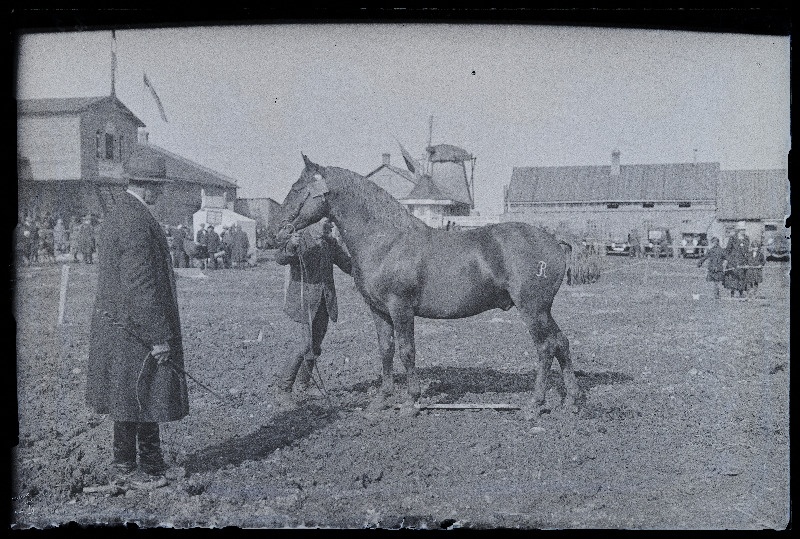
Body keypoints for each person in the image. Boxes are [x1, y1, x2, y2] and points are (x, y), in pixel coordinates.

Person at [86, 176, 188, 489]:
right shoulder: (135, 219)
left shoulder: (123, 212)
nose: (161, 191)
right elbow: (140, 284)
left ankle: (152, 465)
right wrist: (159, 335)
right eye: (159, 186)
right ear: (147, 186)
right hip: (134, 329)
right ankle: (128, 470)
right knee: (133, 397)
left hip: (125, 326)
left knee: (138, 394)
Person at [273, 218, 352, 408]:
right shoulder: (300, 239)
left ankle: (303, 385)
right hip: (304, 300)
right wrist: (291, 246)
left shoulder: (329, 242)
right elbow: (280, 258)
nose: (331, 225)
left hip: (325, 301)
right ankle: (283, 390)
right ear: (315, 222)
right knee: (303, 344)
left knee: (315, 345)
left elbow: (348, 265)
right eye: (327, 221)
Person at [723, 224, 750, 298]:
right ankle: (732, 293)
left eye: (744, 229)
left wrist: (747, 260)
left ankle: (741, 293)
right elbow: (728, 250)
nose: (743, 231)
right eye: (742, 229)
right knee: (733, 277)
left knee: (742, 277)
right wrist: (726, 260)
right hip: (733, 260)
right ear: (738, 230)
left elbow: (747, 251)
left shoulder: (747, 238)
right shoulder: (732, 238)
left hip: (743, 260)